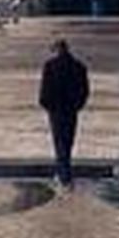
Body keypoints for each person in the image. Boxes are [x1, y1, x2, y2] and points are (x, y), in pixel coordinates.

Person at [38, 38, 90, 190]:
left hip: (56, 110)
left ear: (56, 50)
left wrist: (46, 105)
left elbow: (44, 88)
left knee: (59, 141)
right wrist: (78, 105)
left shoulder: (50, 66)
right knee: (68, 141)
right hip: (71, 110)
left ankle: (64, 177)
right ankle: (63, 172)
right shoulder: (79, 66)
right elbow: (85, 90)